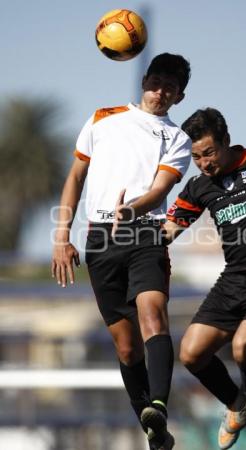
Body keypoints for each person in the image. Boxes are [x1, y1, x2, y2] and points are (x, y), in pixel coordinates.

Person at [51, 53, 192, 450]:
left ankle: (160, 406)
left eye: (171, 87)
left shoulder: (177, 138)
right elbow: (75, 176)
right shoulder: (101, 118)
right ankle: (154, 432)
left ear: (179, 96)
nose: (160, 92)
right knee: (127, 348)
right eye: (157, 81)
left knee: (152, 316)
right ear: (144, 80)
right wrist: (62, 236)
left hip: (144, 234)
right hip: (99, 240)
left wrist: (132, 209)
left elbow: (162, 190)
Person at [164, 107, 246, 449]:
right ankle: (236, 403)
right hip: (235, 279)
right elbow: (167, 230)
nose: (204, 163)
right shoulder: (199, 187)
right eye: (196, 157)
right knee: (191, 354)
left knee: (244, 346)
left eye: (209, 153)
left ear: (226, 141)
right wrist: (128, 229)